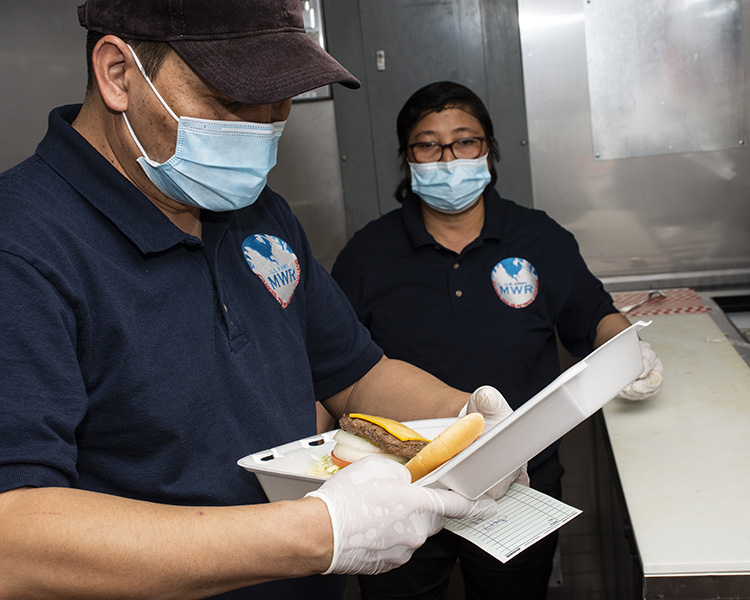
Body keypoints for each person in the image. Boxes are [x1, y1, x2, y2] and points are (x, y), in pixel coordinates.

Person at [0, 7, 515, 600]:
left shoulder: (256, 213)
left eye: (280, 101)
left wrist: (469, 423)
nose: (264, 127)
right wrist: (316, 533)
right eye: (234, 101)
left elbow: (356, 374)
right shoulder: (23, 246)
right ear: (118, 73)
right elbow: (16, 534)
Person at [331, 81, 664, 599]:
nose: (448, 157)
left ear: (489, 150)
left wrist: (630, 351)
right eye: (428, 144)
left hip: (522, 475)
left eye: (465, 141)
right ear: (407, 158)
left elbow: (594, 318)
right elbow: (334, 365)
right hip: (401, 480)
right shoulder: (367, 255)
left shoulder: (539, 237)